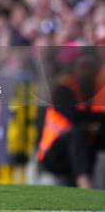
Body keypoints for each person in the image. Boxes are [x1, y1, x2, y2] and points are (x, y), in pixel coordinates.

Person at [37, 50, 105, 188]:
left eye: (91, 67)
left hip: (85, 153)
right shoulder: (64, 89)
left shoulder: (97, 90)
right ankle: (83, 181)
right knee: (77, 132)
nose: (87, 71)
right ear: (75, 67)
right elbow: (72, 116)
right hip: (55, 153)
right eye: (83, 66)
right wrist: (97, 119)